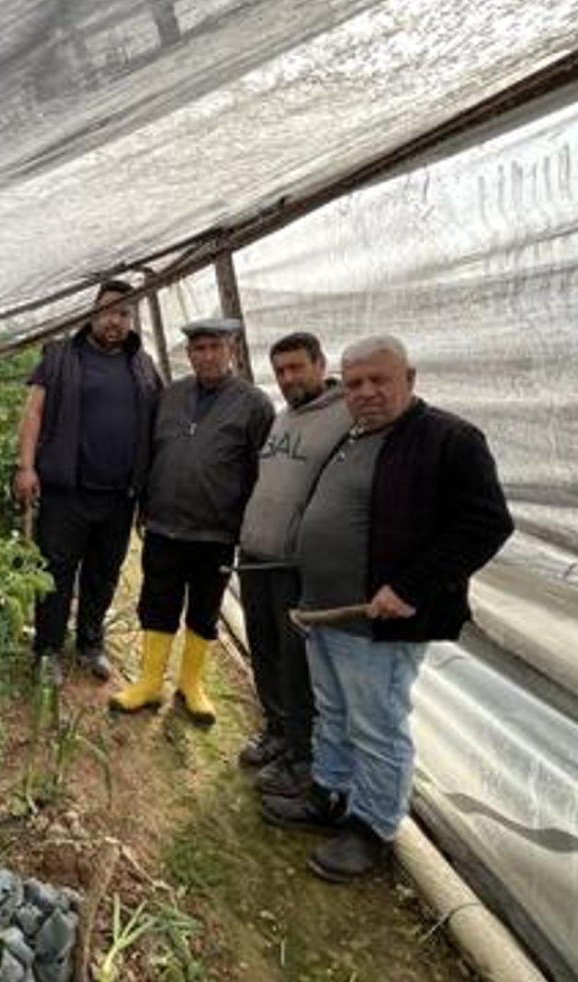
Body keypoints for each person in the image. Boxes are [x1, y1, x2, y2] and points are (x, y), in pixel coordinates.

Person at [262, 334, 513, 882]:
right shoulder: (354, 437)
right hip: (327, 612)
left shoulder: (447, 439)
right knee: (334, 712)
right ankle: (330, 794)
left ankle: (372, 827)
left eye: (380, 380)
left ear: (410, 379)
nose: (367, 392)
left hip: (378, 621)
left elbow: (487, 525)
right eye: (355, 384)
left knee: (377, 725)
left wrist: (410, 586)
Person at [109, 318, 274, 725]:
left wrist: (244, 522)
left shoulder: (254, 404)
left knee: (204, 607)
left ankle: (191, 683)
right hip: (165, 523)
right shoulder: (172, 395)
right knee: (158, 600)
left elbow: (261, 470)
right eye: (198, 349)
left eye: (215, 347)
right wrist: (145, 504)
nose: (206, 355)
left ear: (231, 350)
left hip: (216, 530)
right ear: (189, 354)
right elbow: (151, 449)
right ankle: (149, 682)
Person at [14, 280, 163, 684]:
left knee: (104, 572)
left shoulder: (143, 365)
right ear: (92, 312)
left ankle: (90, 644)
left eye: (124, 313)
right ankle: (47, 649)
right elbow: (33, 413)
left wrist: (148, 493)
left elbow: (156, 428)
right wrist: (25, 467)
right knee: (56, 572)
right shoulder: (61, 355)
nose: (115, 320)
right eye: (109, 311)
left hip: (119, 495)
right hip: (67, 491)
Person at [235, 332, 350, 798]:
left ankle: (303, 758)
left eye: (296, 368)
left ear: (320, 364)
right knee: (263, 648)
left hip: (294, 565)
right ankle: (276, 732)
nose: (287, 379)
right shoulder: (284, 418)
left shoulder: (345, 416)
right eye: (279, 371)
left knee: (296, 662)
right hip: (257, 556)